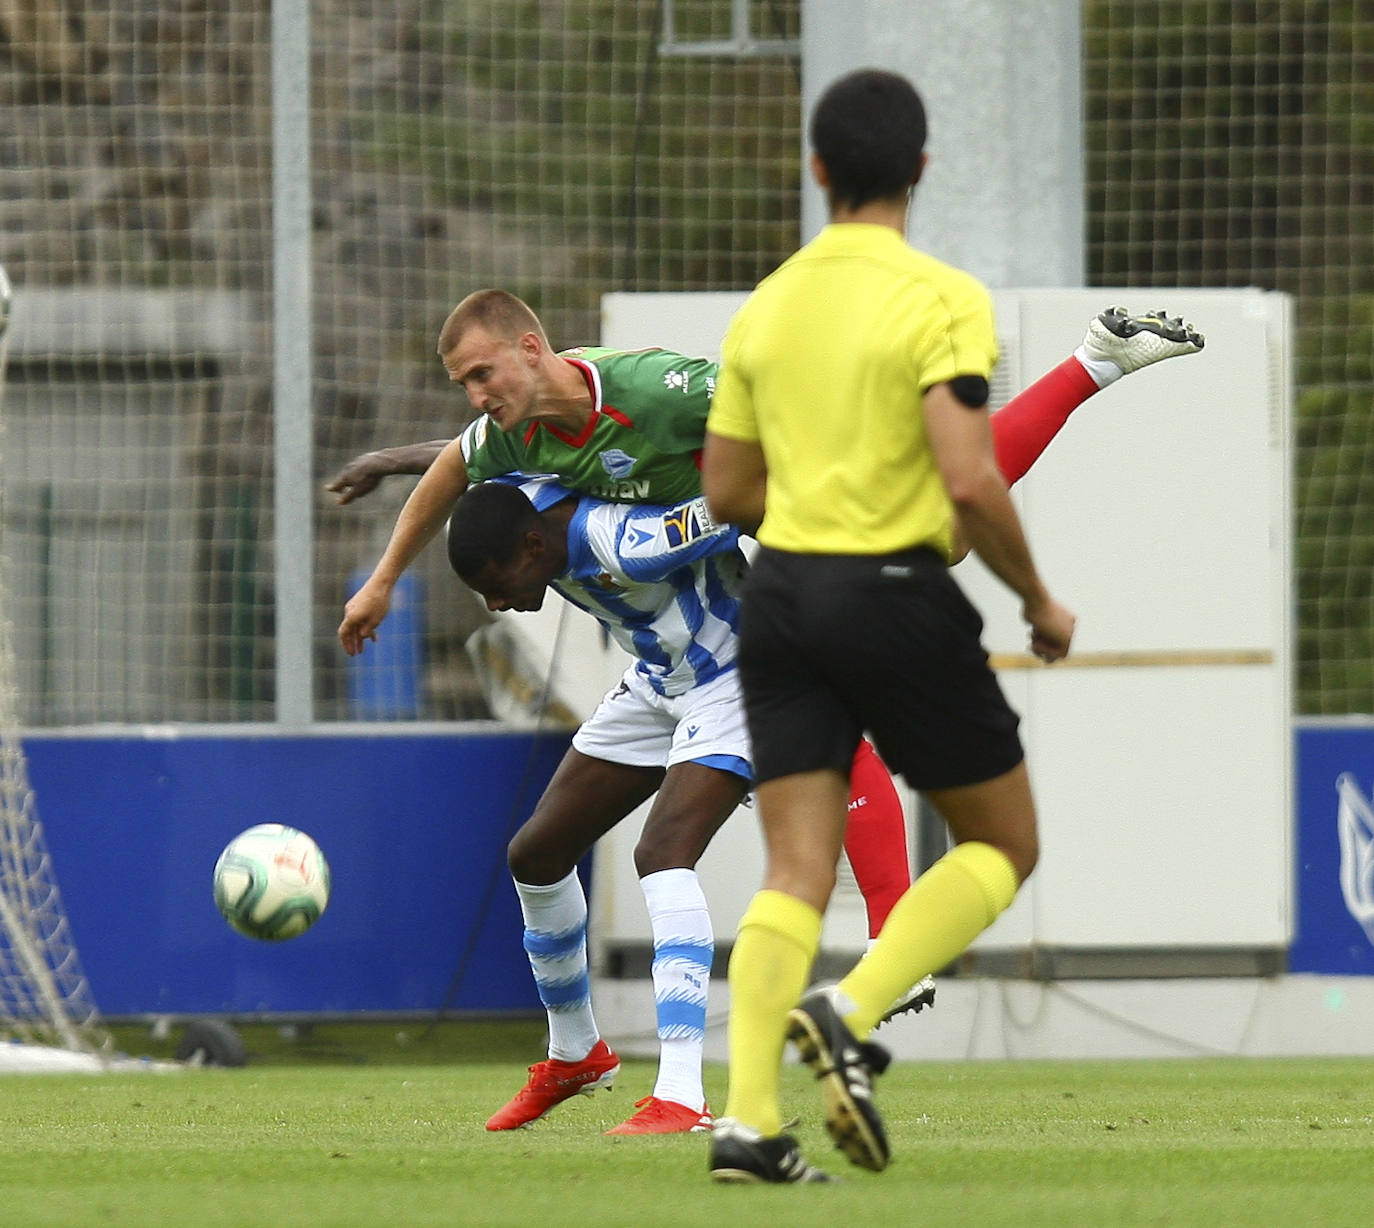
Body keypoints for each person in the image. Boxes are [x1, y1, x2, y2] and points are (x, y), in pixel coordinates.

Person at [330, 292, 1202, 990]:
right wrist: (381, 571)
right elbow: (456, 461)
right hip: (731, 552)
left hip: (782, 506)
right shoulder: (511, 430)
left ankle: (1093, 359)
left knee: (922, 547)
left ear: (532, 351)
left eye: (482, 374)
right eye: (464, 385)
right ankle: (1096, 358)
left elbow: (770, 415)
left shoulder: (651, 389)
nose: (477, 397)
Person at [699, 68, 1077, 1184]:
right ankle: (851, 1010)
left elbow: (725, 490)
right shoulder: (941, 297)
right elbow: (969, 476)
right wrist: (1036, 599)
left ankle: (750, 1126)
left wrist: (816, 514)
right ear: (919, 170)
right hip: (894, 594)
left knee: (793, 871)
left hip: (780, 603)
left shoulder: (765, 306)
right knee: (1004, 843)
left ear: (816, 171)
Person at [446, 475, 753, 1135]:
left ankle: (682, 1096)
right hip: (657, 679)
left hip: (738, 674)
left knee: (662, 852)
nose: (499, 604)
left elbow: (744, 497)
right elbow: (465, 462)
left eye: (500, 585)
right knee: (536, 853)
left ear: (534, 543)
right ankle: (576, 1053)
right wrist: (393, 463)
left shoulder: (632, 543)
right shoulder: (522, 502)